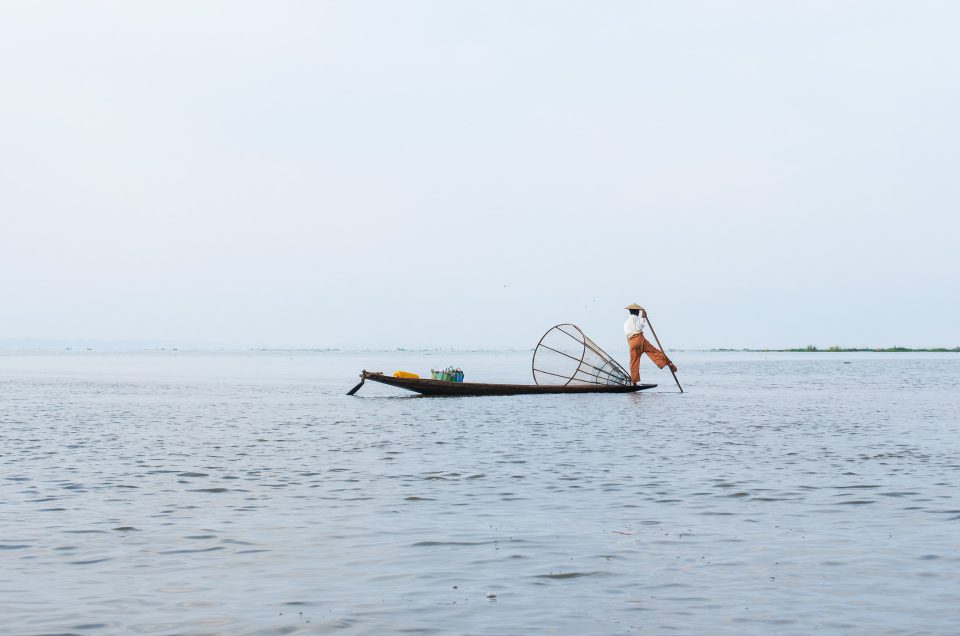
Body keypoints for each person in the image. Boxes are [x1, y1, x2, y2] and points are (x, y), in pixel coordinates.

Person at [624, 303, 677, 384]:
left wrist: (631, 345)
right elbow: (639, 327)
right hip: (639, 339)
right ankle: (668, 362)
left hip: (632, 342)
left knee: (633, 362)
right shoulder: (634, 318)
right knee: (654, 352)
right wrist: (643, 318)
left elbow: (627, 335)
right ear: (637, 312)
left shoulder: (626, 322)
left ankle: (634, 382)